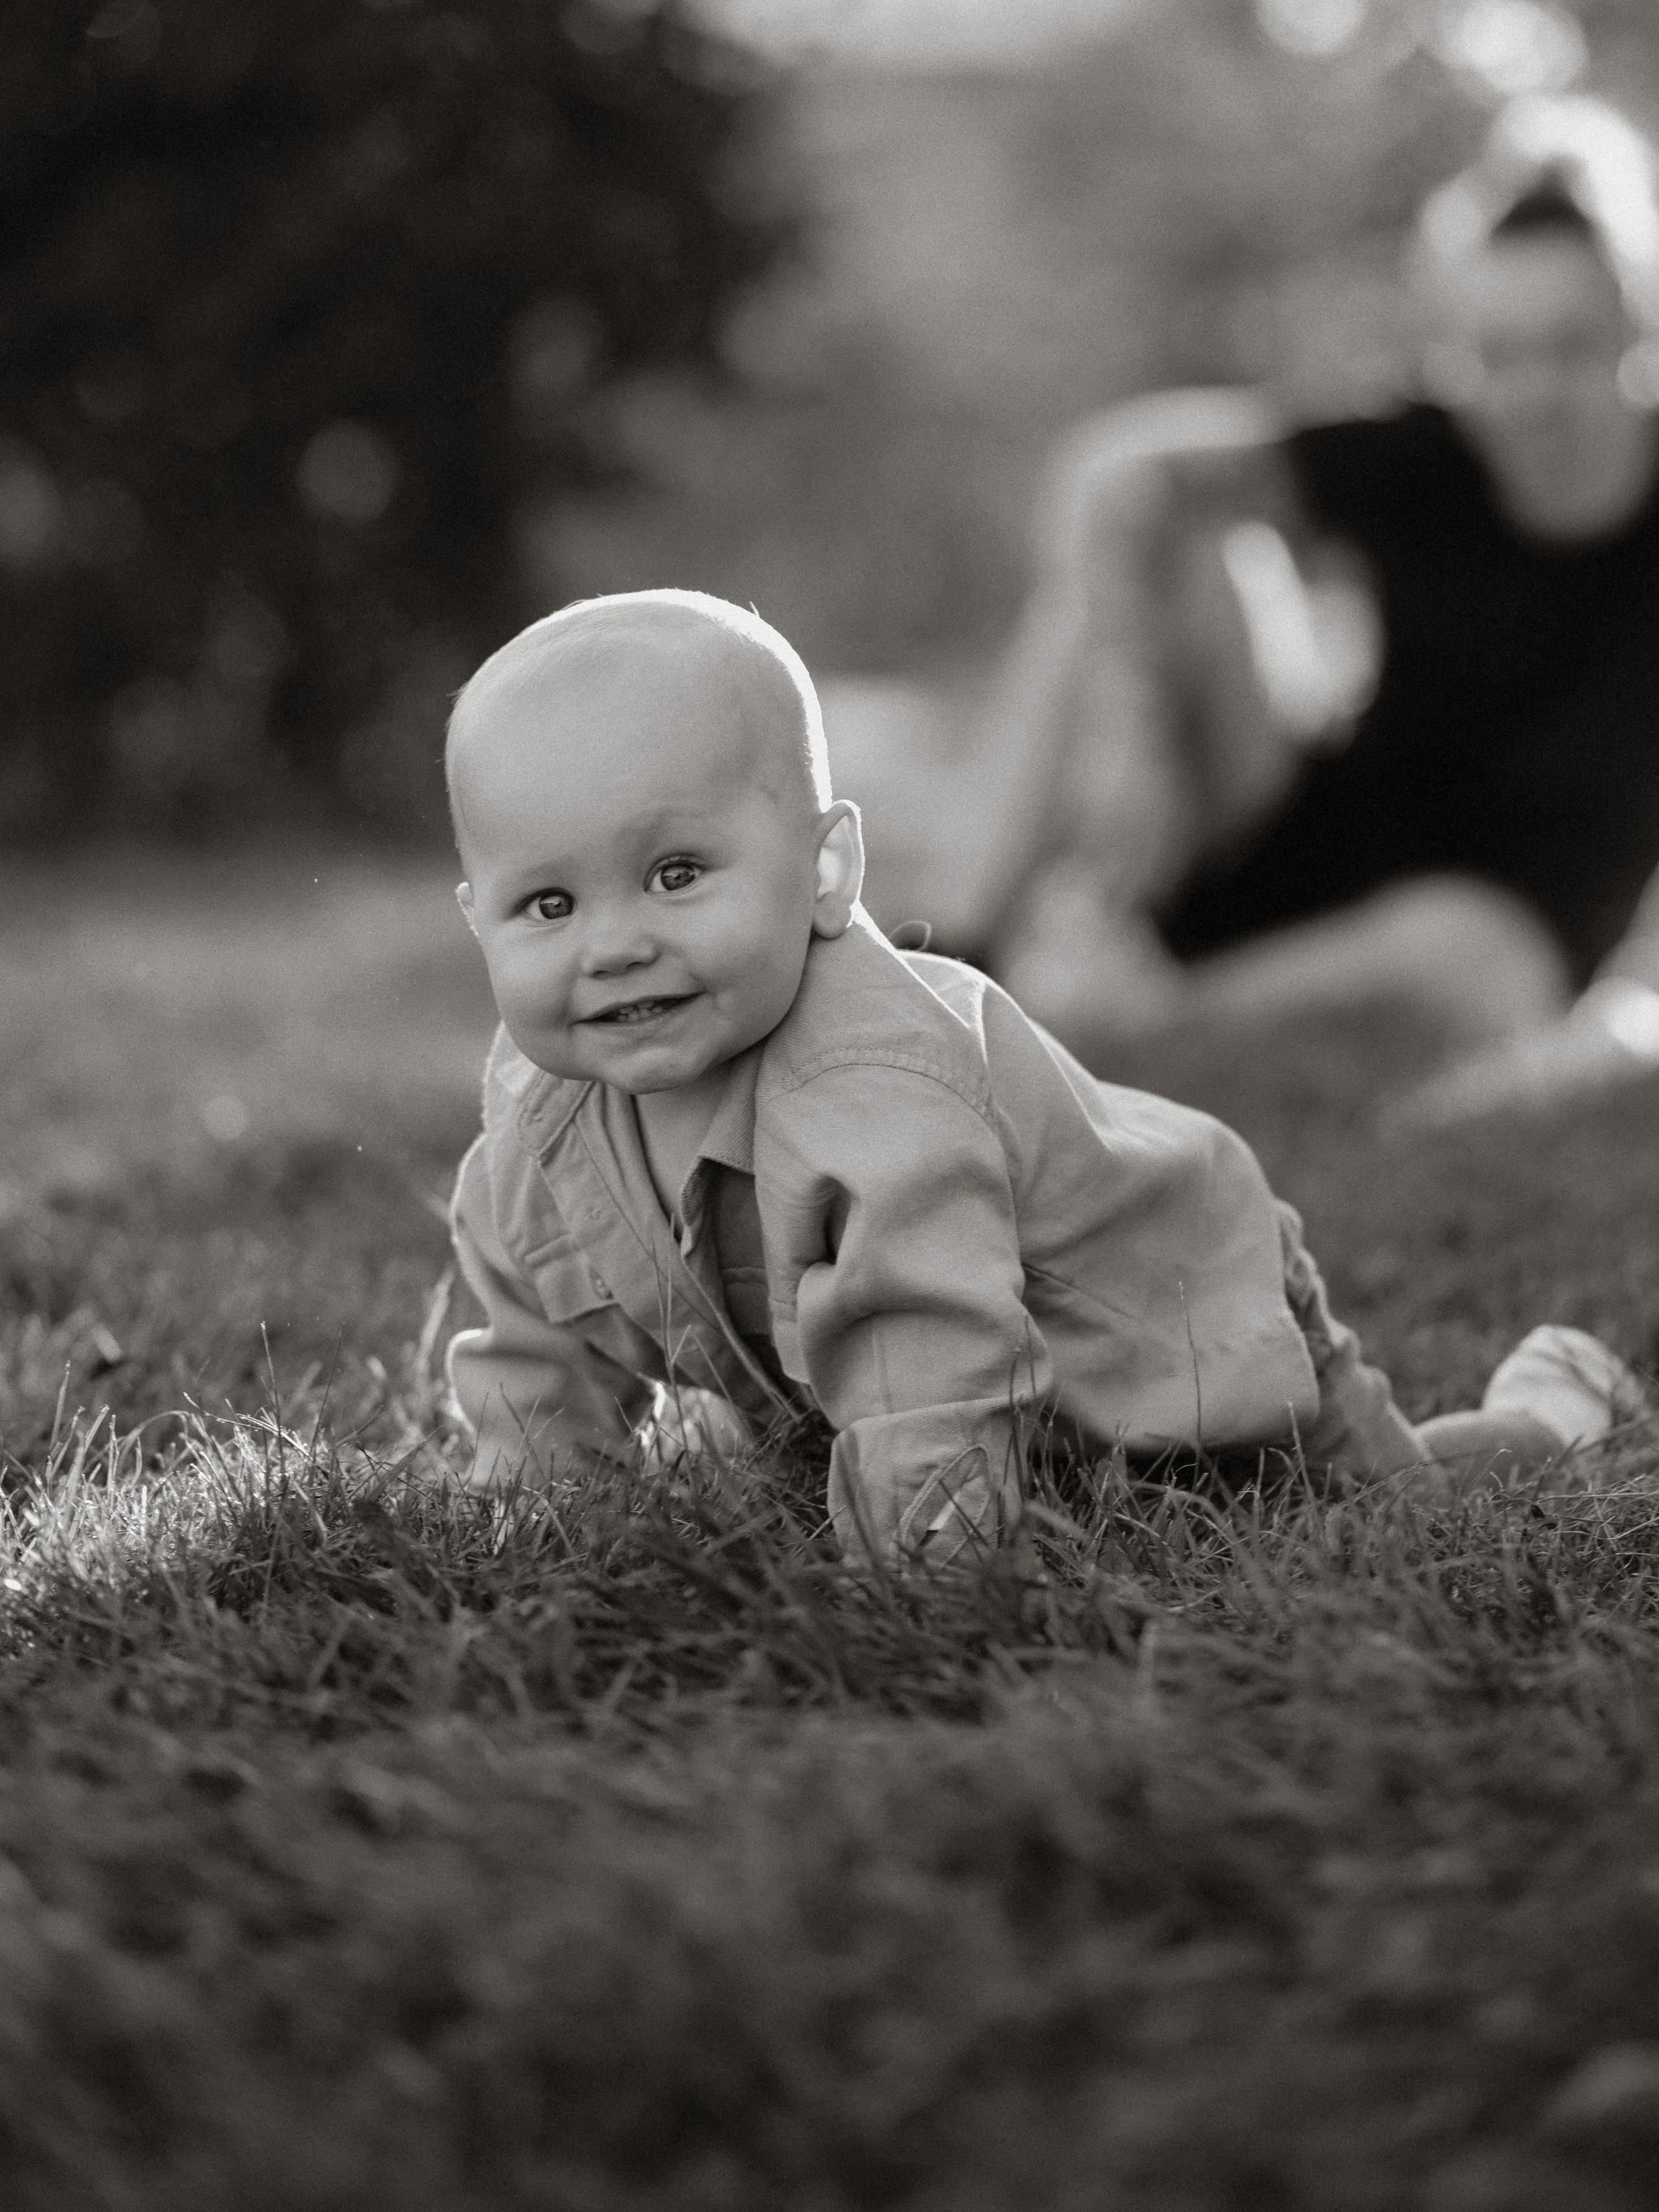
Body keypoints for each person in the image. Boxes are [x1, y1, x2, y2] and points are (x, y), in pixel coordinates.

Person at [440, 588, 1648, 1566]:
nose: (613, 944)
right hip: (897, 1377)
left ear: (826, 871)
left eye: (676, 874)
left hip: (1176, 1318)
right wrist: (541, 1530)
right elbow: (535, 1340)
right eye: (548, 902)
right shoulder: (544, 1111)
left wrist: (928, 1584)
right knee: (784, 1457)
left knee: (1378, 1511)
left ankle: (1553, 1412)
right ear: (476, 920)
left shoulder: (873, 1089)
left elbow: (935, 1363)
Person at [972, 93, 1659, 1121]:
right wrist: (1135, 726)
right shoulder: (1424, 448)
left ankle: (1123, 1023)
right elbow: (1114, 471)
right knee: (1169, 557)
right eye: (1495, 355)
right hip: (1309, 839)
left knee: (1460, 939)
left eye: (1567, 348)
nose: (1530, 394)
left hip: (1503, 943)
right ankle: (953, 945)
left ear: (1635, 335)